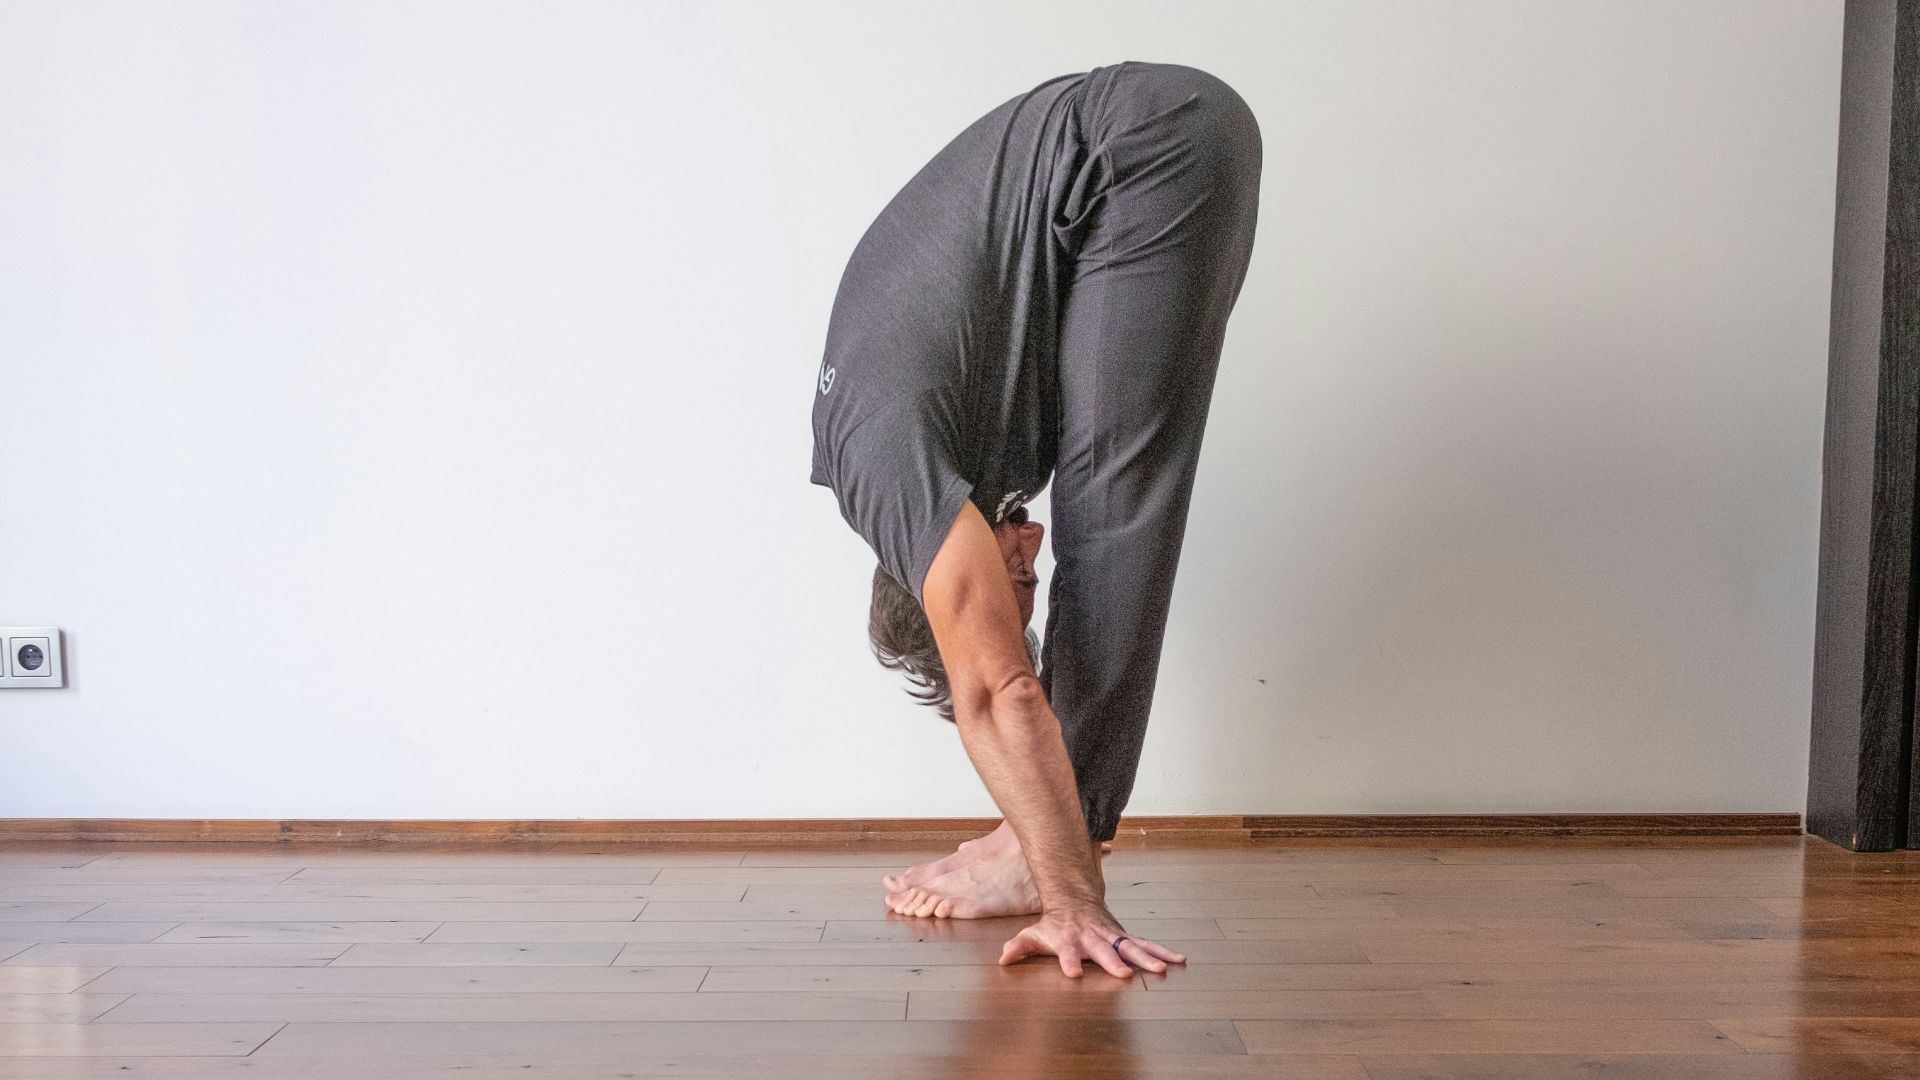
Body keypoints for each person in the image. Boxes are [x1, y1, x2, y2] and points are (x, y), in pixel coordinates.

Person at [809, 60, 1262, 978]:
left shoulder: (889, 467)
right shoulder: (955, 456)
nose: (1034, 548)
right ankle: (1047, 835)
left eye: (1015, 577)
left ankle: (1051, 857)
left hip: (1138, 148)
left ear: (934, 578)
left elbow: (1000, 690)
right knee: (1107, 495)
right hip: (1158, 143)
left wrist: (1073, 902)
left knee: (1112, 509)